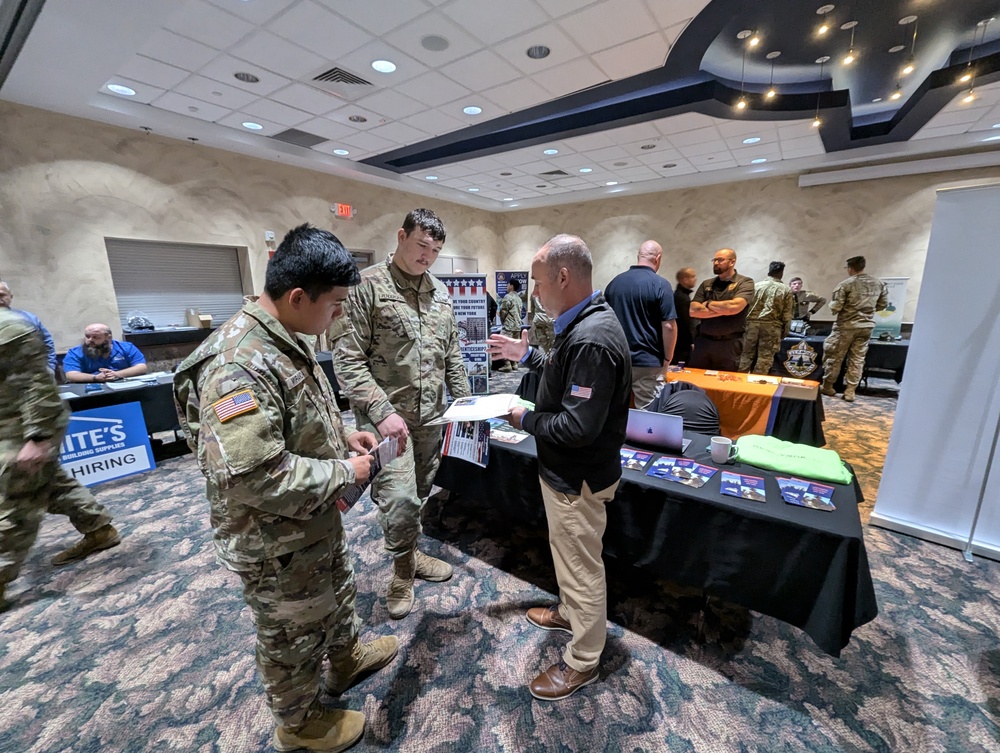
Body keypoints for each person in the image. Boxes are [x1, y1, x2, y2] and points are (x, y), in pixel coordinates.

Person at [173, 225, 398, 752]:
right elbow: (254, 475)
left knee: (335, 592)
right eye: (337, 304)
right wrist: (347, 472)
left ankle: (344, 659)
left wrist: (344, 433)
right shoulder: (237, 367)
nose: (341, 315)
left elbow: (297, 416)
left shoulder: (286, 337)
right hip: (272, 535)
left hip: (310, 517)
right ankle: (297, 724)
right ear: (298, 297)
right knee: (290, 631)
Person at [486, 234, 631, 701]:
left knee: (581, 566)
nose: (534, 293)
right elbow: (565, 379)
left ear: (563, 277)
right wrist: (525, 355)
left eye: (537, 282)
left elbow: (576, 427)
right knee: (569, 559)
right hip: (570, 474)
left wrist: (523, 417)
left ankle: (583, 660)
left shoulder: (591, 336)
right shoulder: (585, 323)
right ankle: (571, 612)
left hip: (578, 475)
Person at [334, 209, 470, 620]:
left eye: (435, 250)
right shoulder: (366, 287)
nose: (427, 256)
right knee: (399, 500)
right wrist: (379, 410)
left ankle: (412, 555)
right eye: (421, 246)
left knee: (422, 492)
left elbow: (452, 356)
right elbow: (347, 359)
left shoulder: (441, 294)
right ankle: (401, 572)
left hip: (431, 418)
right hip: (386, 424)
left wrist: (466, 405)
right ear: (401, 237)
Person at [0, 309, 121, 611]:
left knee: (14, 501)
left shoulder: (10, 329)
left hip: (23, 429)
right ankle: (99, 529)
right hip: (10, 425)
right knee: (51, 484)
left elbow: (37, 385)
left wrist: (38, 437)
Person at [604, 240, 677, 409]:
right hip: (648, 362)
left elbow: (606, 322)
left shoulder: (615, 283)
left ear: (638, 256)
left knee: (614, 410)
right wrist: (667, 358)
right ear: (658, 258)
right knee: (649, 414)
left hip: (617, 359)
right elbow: (669, 326)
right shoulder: (661, 284)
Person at [821, 255, 889, 402]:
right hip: (866, 326)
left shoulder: (846, 284)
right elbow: (883, 305)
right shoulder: (879, 284)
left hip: (846, 327)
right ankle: (850, 390)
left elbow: (836, 307)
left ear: (850, 269)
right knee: (857, 359)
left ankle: (828, 386)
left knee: (834, 356)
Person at [689, 248, 755, 371]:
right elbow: (693, 311)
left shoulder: (745, 283)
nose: (715, 263)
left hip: (729, 344)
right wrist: (723, 310)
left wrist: (708, 303)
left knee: (725, 384)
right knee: (696, 380)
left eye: (720, 260)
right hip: (704, 343)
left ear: (732, 262)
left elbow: (734, 307)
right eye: (714, 260)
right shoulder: (707, 284)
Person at [739, 261, 794, 374]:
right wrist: (785, 331)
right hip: (772, 327)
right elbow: (787, 314)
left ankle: (738, 384)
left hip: (751, 325)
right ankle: (756, 386)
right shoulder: (785, 289)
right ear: (781, 272)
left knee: (745, 355)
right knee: (764, 358)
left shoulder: (755, 286)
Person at [0, 281, 57, 372]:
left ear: (11, 297)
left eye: (2, 295)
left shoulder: (29, 318)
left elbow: (47, 343)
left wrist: (49, 368)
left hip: (28, 375)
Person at [62, 324, 147, 383]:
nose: (90, 340)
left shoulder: (126, 348)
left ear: (108, 338)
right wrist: (95, 378)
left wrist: (116, 374)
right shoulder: (75, 352)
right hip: (92, 387)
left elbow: (141, 367)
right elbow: (71, 375)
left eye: (95, 337)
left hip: (122, 384)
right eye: (87, 336)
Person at [497, 277, 524, 373]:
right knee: (515, 345)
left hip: (508, 326)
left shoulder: (507, 297)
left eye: (508, 284)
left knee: (502, 344)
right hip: (517, 326)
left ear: (511, 286)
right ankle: (515, 363)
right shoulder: (519, 299)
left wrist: (503, 321)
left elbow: (503, 312)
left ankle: (507, 364)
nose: (507, 286)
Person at [672, 267, 697, 365]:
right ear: (685, 280)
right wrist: (691, 341)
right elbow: (686, 323)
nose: (695, 279)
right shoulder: (682, 299)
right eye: (693, 276)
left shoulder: (680, 296)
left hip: (678, 342)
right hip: (681, 344)